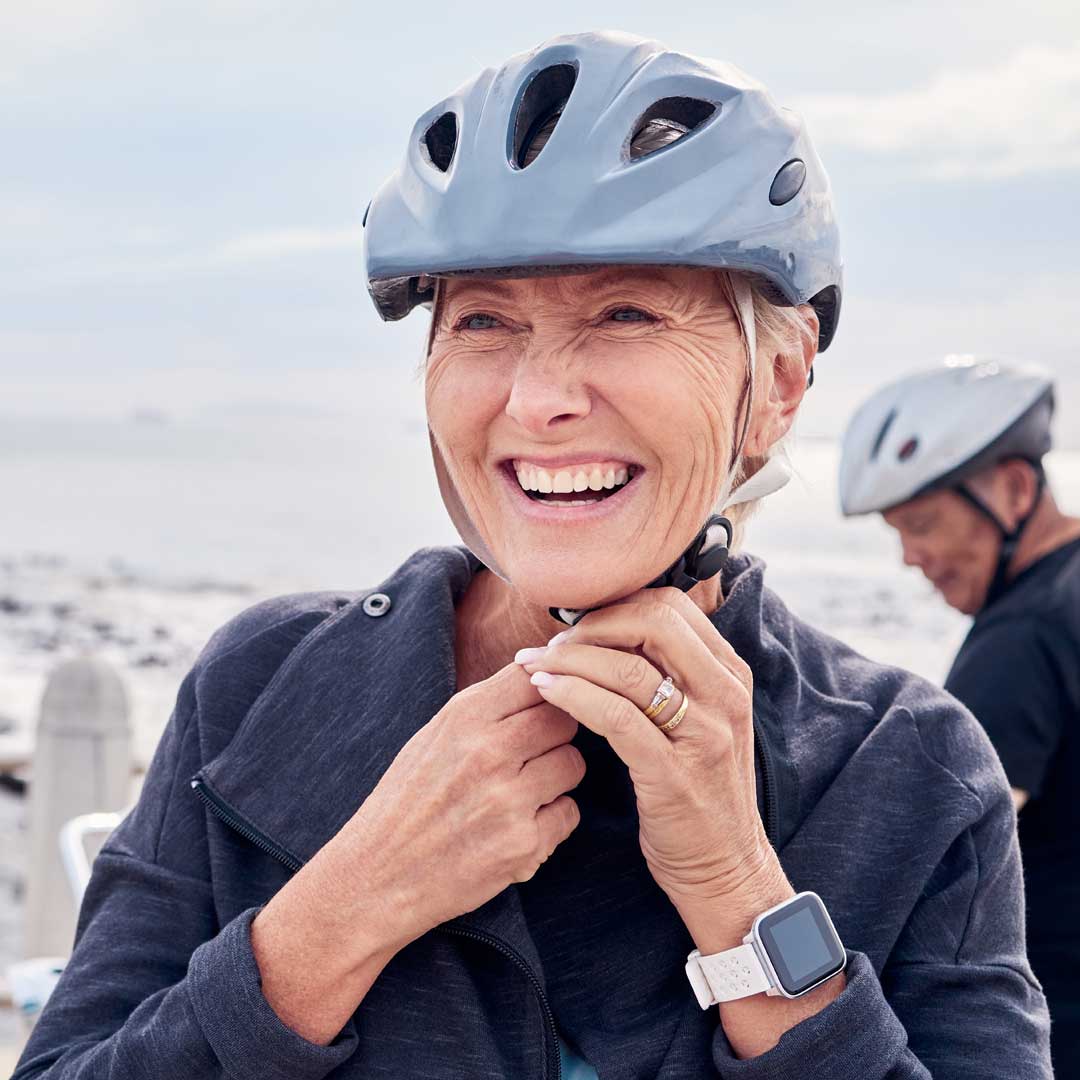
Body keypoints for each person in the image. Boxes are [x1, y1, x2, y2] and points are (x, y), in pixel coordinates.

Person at [15, 33, 1051, 1080]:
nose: (539, 399)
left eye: (627, 314)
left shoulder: (906, 768)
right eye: (485, 323)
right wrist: (345, 906)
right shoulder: (261, 686)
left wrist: (741, 891)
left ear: (778, 386)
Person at [840, 355, 1080, 1074]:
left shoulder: (1020, 639)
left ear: (1013, 488)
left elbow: (929, 850)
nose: (913, 557)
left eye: (922, 524)